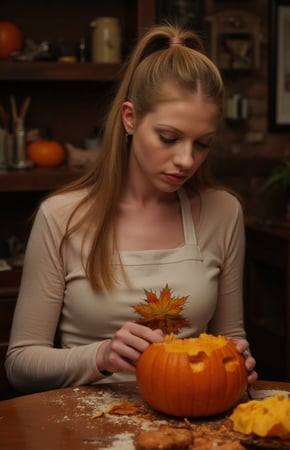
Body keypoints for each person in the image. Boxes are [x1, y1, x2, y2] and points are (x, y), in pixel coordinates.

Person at [5, 24, 257, 394]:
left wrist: (238, 365)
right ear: (130, 118)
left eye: (202, 144)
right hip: (82, 429)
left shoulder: (224, 212)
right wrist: (102, 356)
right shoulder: (61, 216)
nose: (186, 160)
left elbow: (231, 338)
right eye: (169, 138)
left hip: (190, 422)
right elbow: (21, 364)